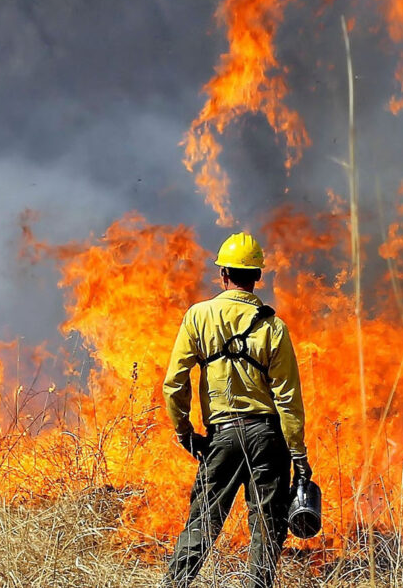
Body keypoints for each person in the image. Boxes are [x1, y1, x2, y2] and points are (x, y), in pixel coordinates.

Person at [162, 232, 310, 588]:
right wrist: (299, 454)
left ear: (223, 274)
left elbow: (174, 384)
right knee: (267, 527)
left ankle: (174, 585)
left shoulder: (198, 316)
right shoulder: (273, 326)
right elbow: (288, 398)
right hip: (268, 439)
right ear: (257, 276)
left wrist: (185, 433)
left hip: (221, 437)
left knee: (203, 524)